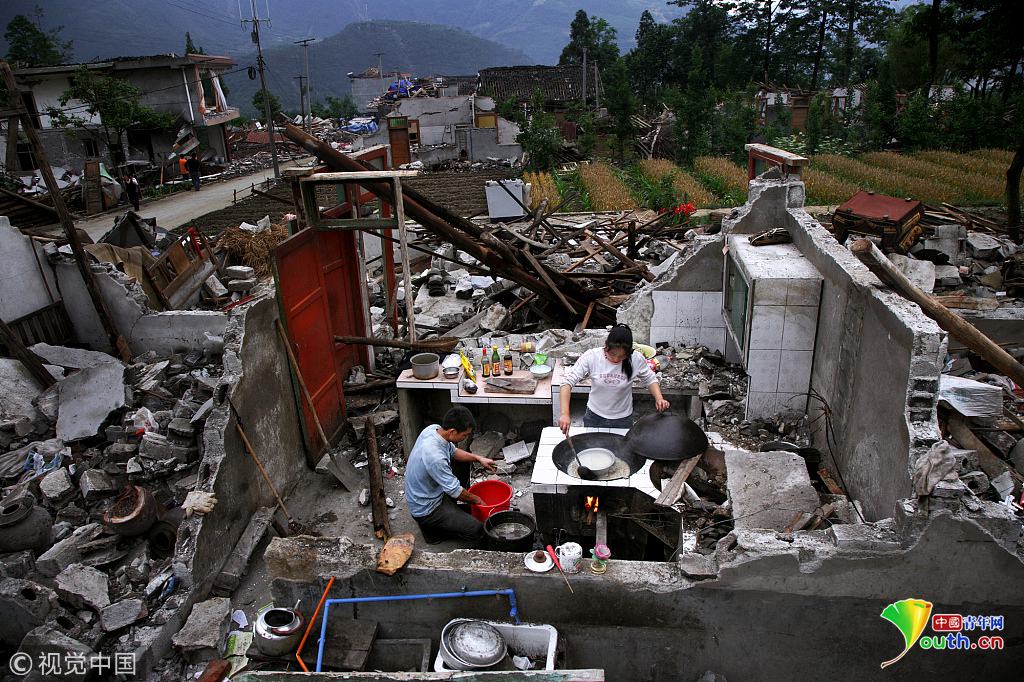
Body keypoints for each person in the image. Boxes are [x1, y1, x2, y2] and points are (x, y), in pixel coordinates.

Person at [404, 406, 497, 544]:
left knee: (464, 462)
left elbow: (453, 452)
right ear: (453, 431)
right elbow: (455, 490)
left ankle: (452, 511)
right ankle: (432, 531)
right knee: (477, 529)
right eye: (465, 435)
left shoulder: (434, 430)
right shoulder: (435, 456)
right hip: (427, 510)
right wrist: (478, 501)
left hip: (431, 491)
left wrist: (479, 458)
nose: (465, 437)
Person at [558, 323, 670, 433]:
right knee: (594, 448)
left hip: (623, 419)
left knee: (620, 450)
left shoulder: (636, 359)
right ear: (606, 346)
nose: (616, 359)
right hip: (594, 416)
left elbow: (650, 379)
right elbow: (567, 383)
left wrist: (659, 398)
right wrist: (565, 414)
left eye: (622, 356)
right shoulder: (592, 357)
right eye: (612, 354)